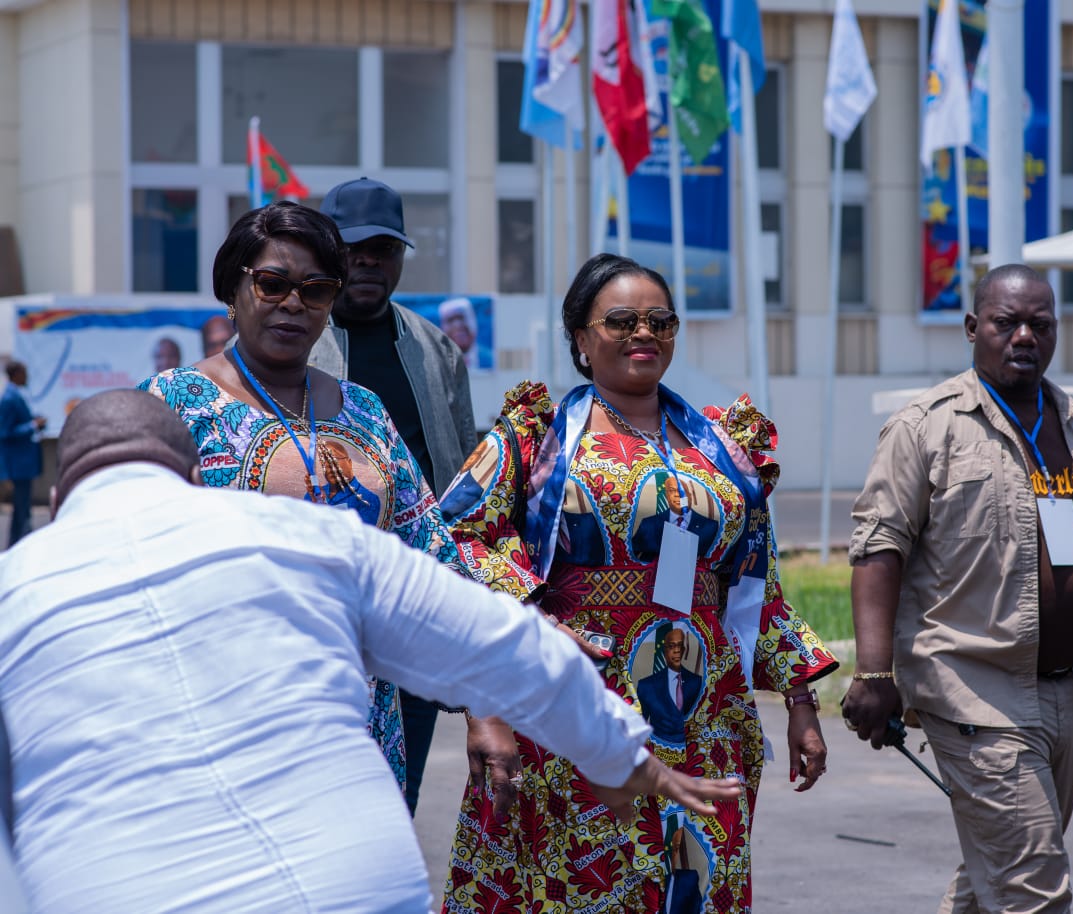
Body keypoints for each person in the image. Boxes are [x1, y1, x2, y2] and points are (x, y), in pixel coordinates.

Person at [0, 389, 741, 913]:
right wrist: (619, 757)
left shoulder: (15, 588)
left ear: (58, 502)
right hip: (350, 881)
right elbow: (503, 643)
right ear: (194, 477)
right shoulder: (305, 536)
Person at [436, 252, 838, 913]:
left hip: (703, 711)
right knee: (586, 877)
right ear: (580, 338)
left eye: (660, 321)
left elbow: (755, 581)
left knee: (693, 875)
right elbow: (453, 536)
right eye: (621, 320)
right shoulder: (538, 437)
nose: (643, 333)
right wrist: (528, 615)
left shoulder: (720, 446)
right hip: (578, 697)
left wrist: (800, 702)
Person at [842, 264, 1073, 914]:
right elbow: (878, 547)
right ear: (973, 327)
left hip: (1066, 689)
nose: (1024, 336)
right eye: (1007, 323)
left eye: (1040, 324)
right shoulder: (926, 426)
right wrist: (872, 671)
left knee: (994, 879)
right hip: (974, 689)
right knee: (1034, 887)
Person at [140, 200, 462, 796]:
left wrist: (513, 654)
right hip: (228, 719)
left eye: (316, 290)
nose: (294, 303)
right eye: (273, 283)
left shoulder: (364, 409)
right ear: (232, 289)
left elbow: (433, 552)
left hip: (361, 719)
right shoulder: (172, 402)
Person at [313, 177, 480, 814]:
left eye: (383, 250)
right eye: (352, 249)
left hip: (413, 605)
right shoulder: (297, 339)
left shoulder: (435, 349)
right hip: (325, 606)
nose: (368, 263)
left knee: (395, 795)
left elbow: (465, 479)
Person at [0, 361, 46, 547]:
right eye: (24, 372)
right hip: (18, 463)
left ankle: (15, 545)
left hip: (23, 463)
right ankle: (23, 546)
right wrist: (32, 426)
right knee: (22, 509)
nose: (27, 376)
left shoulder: (16, 395)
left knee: (21, 509)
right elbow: (5, 432)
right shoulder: (9, 398)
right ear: (16, 374)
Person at [638, 626, 705, 743]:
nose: (676, 650)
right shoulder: (646, 685)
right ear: (664, 651)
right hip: (657, 747)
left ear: (684, 649)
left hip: (690, 747)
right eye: (671, 646)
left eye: (679, 645)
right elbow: (639, 726)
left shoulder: (696, 682)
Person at [438, 296, 478, 366]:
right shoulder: (436, 363)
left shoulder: (490, 360)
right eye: (450, 320)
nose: (457, 325)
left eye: (461, 318)